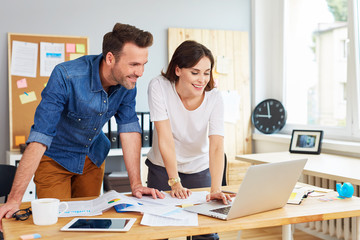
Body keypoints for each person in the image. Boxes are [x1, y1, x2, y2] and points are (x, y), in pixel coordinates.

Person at [0, 23, 164, 230]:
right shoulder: (66, 76)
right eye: (133, 64)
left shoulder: (127, 81)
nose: (140, 72)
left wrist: (137, 185)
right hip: (55, 159)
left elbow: (129, 129)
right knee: (54, 226)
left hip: (92, 157)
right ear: (110, 58)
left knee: (87, 225)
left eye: (143, 64)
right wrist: (14, 199)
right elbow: (40, 136)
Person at [146, 40, 234, 204]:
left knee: (206, 225)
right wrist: (175, 182)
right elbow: (165, 138)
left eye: (206, 73)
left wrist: (216, 189)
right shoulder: (159, 87)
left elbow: (216, 145)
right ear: (177, 69)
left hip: (198, 168)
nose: (202, 80)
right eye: (195, 73)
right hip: (162, 169)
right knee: (164, 223)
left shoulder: (214, 97)